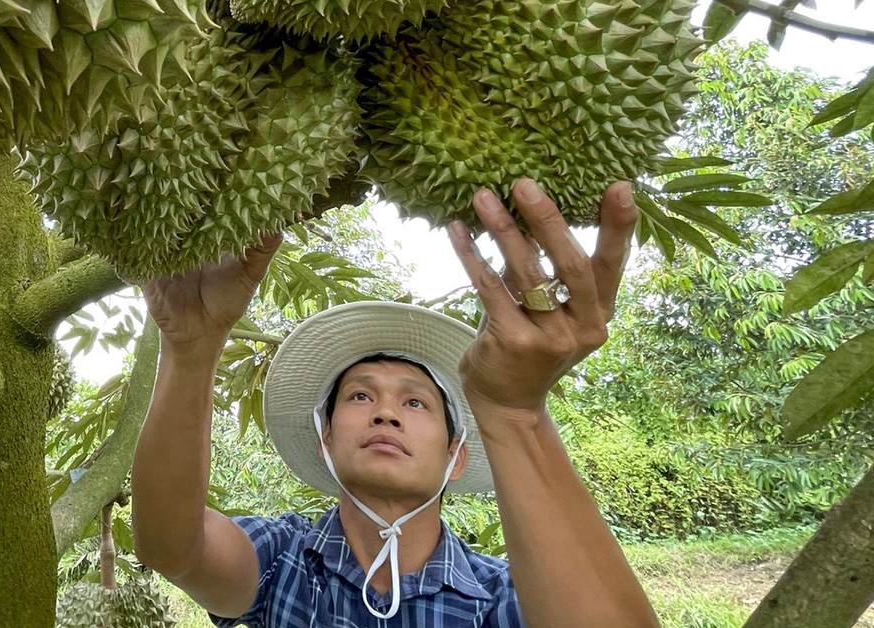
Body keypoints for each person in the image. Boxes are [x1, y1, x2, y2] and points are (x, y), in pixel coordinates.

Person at [132, 178, 659, 627]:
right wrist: (190, 346)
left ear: (457, 457)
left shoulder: (500, 599)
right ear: (326, 439)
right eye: (360, 395)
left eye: (416, 404)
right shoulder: (281, 557)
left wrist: (515, 413)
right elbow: (172, 549)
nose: (385, 412)